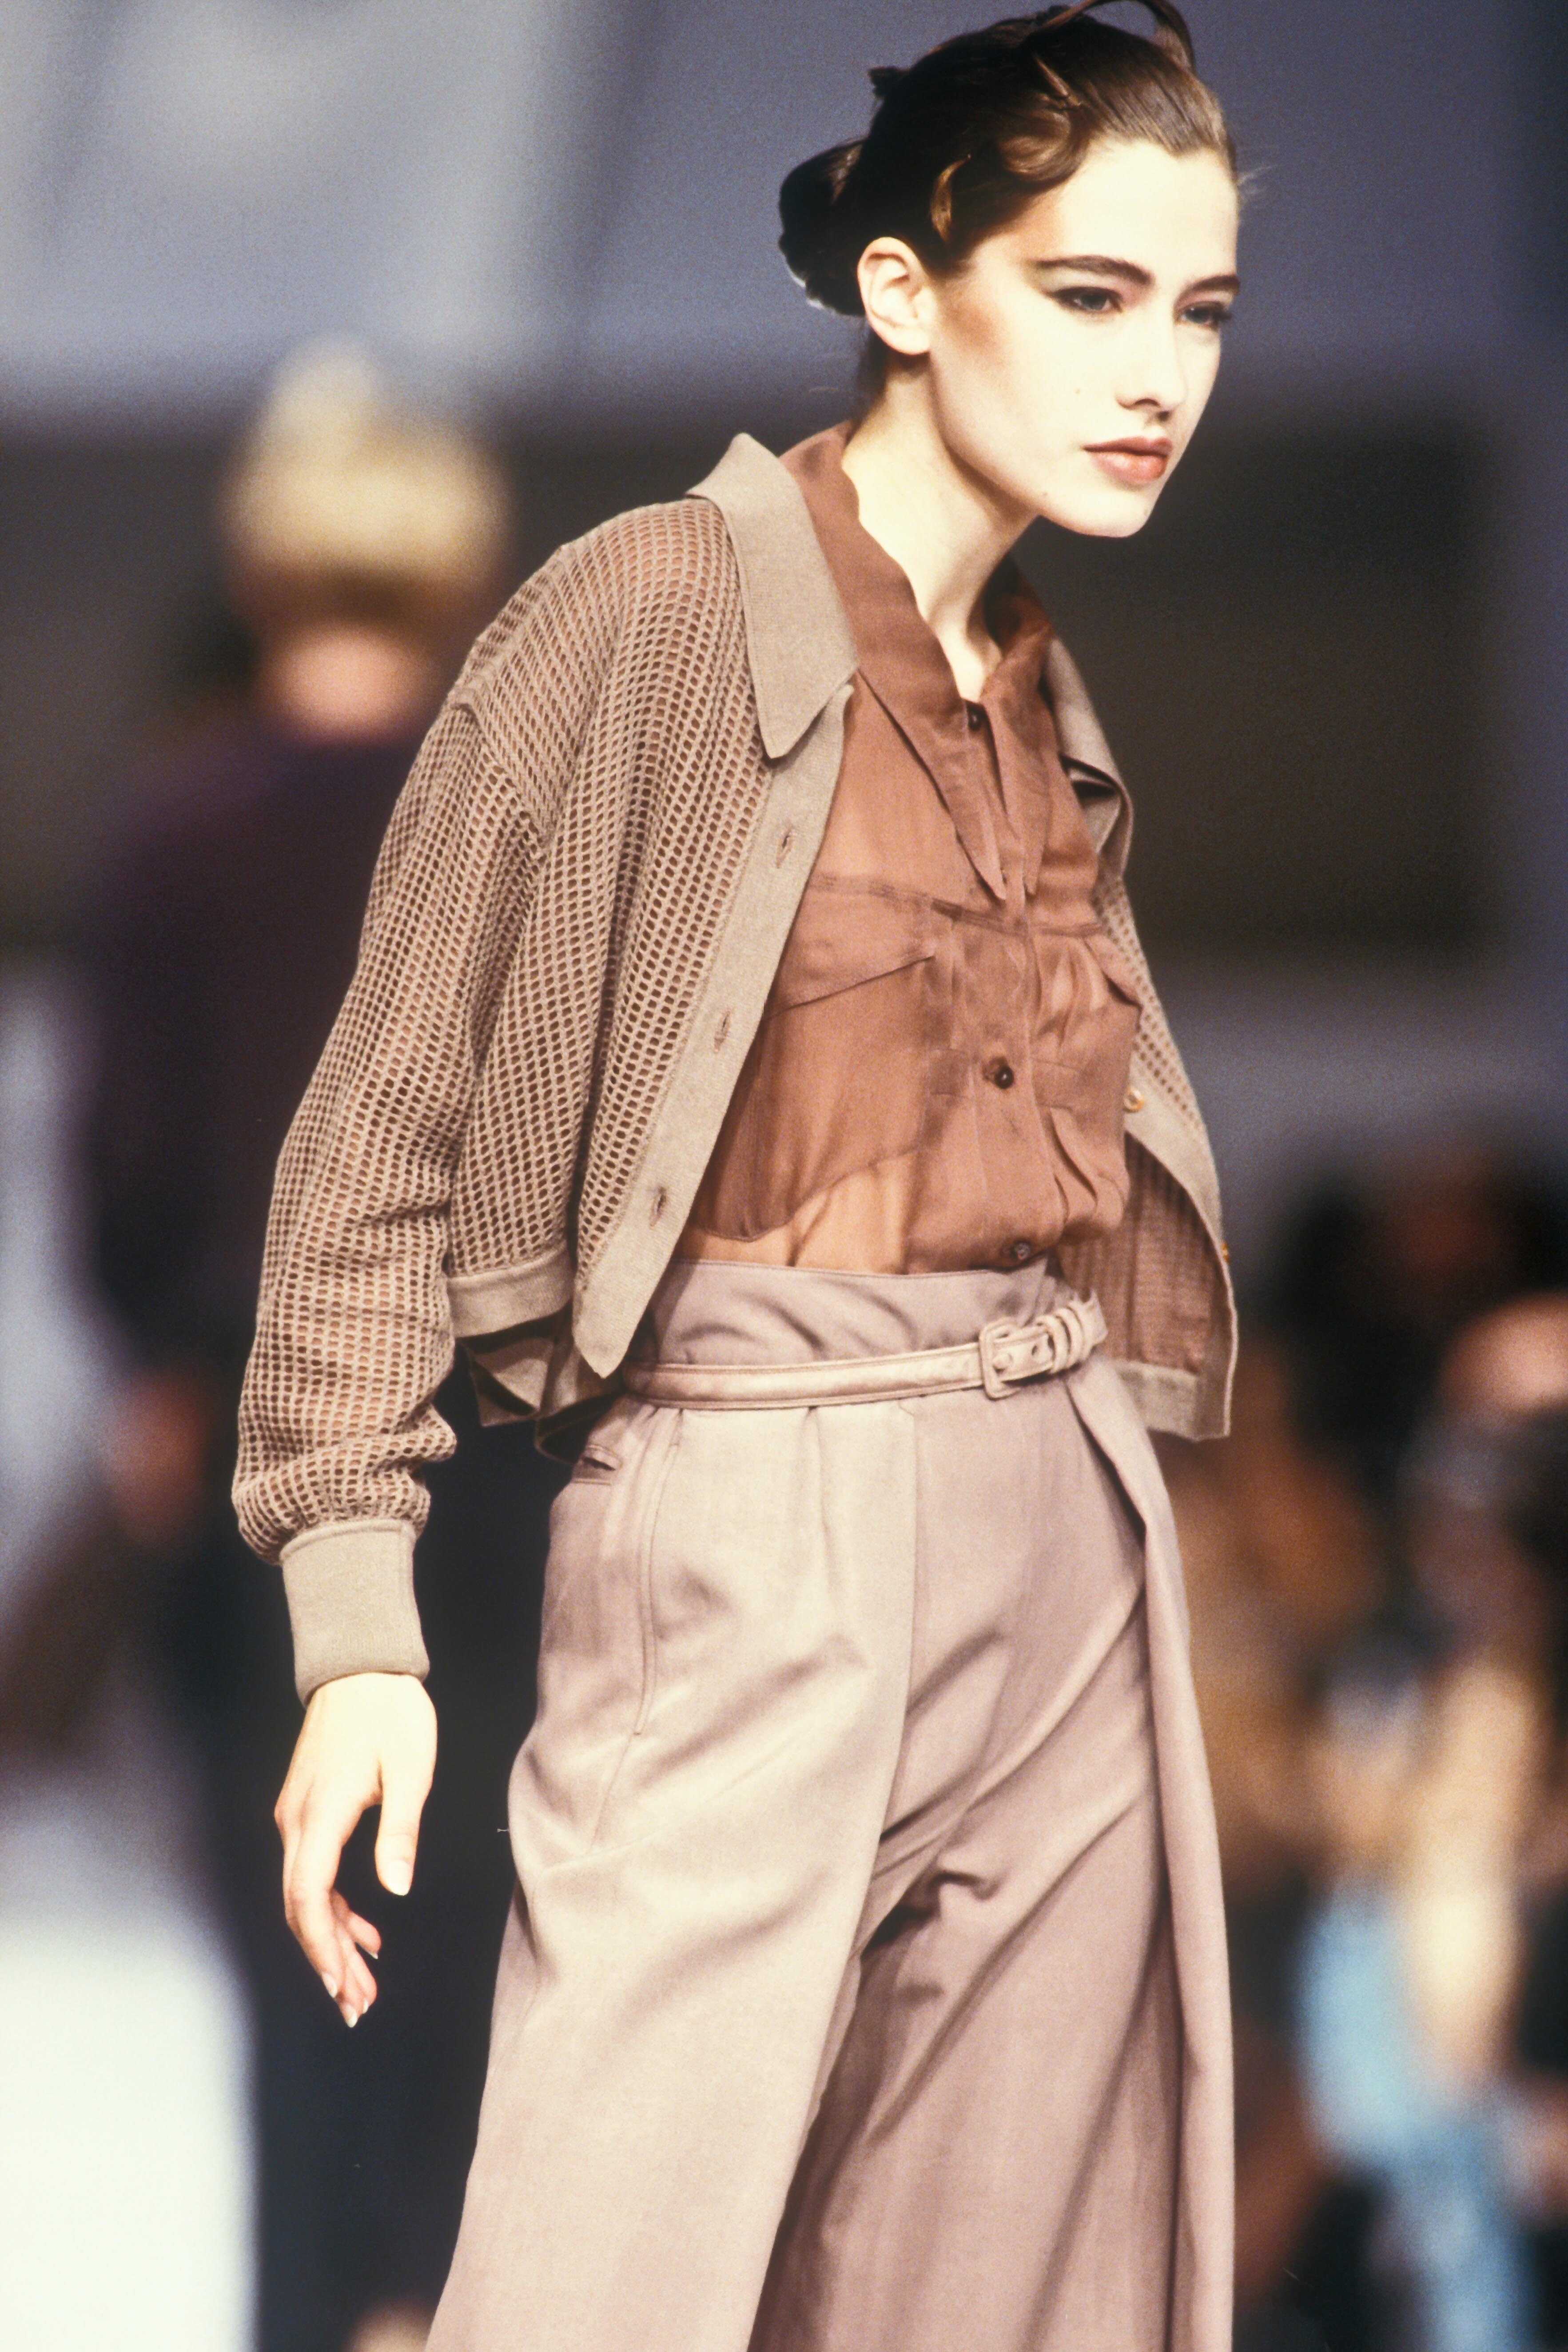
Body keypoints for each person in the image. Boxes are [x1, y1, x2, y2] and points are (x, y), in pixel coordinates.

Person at [236, 8, 1243, 2346]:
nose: (1155, 375)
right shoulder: (651, 611)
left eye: (1197, 309)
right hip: (742, 1519)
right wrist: (359, 1629)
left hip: (1060, 1527)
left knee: (1000, 2301)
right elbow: (380, 1131)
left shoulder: (1032, 690)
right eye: (1088, 294)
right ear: (905, 287)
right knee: (603, 2283)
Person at [85, 346, 553, 2352]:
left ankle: (320, 2314)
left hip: (254, 1439)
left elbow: (125, 1166)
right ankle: (444, 2310)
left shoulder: (172, 830)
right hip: (490, 1443)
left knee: (297, 1941)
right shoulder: (520, 822)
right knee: (484, 1928)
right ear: (461, 568)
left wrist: (158, 1364)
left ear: (262, 561)